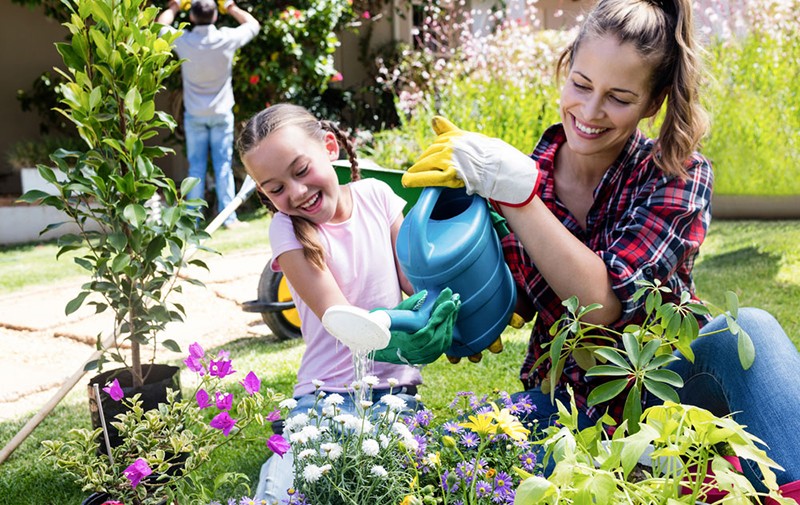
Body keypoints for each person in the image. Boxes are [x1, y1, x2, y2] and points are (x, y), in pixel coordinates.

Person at [402, 0, 800, 493]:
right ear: (566, 69)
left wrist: (516, 199)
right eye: (581, 85)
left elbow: (600, 306)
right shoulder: (516, 175)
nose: (590, 112)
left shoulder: (677, 174)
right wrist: (436, 315)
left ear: (652, 103)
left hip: (670, 394)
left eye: (619, 97)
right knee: (442, 464)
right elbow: (497, 297)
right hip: (568, 408)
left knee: (752, 330)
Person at [235, 103, 459, 502]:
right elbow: (342, 320)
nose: (297, 192)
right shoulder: (286, 229)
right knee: (292, 486)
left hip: (394, 394)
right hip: (324, 398)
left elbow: (417, 282)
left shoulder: (377, 196)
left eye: (301, 170)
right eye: (276, 188)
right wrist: (402, 334)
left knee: (388, 486)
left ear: (330, 147)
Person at [156, 0, 258, 229]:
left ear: (192, 17)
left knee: (196, 167)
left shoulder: (185, 40)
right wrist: (230, 6)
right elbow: (253, 24)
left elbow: (159, 26)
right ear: (214, 17)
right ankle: (228, 219)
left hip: (194, 114)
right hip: (221, 113)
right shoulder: (225, 39)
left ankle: (192, 219)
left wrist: (174, 6)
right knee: (223, 165)